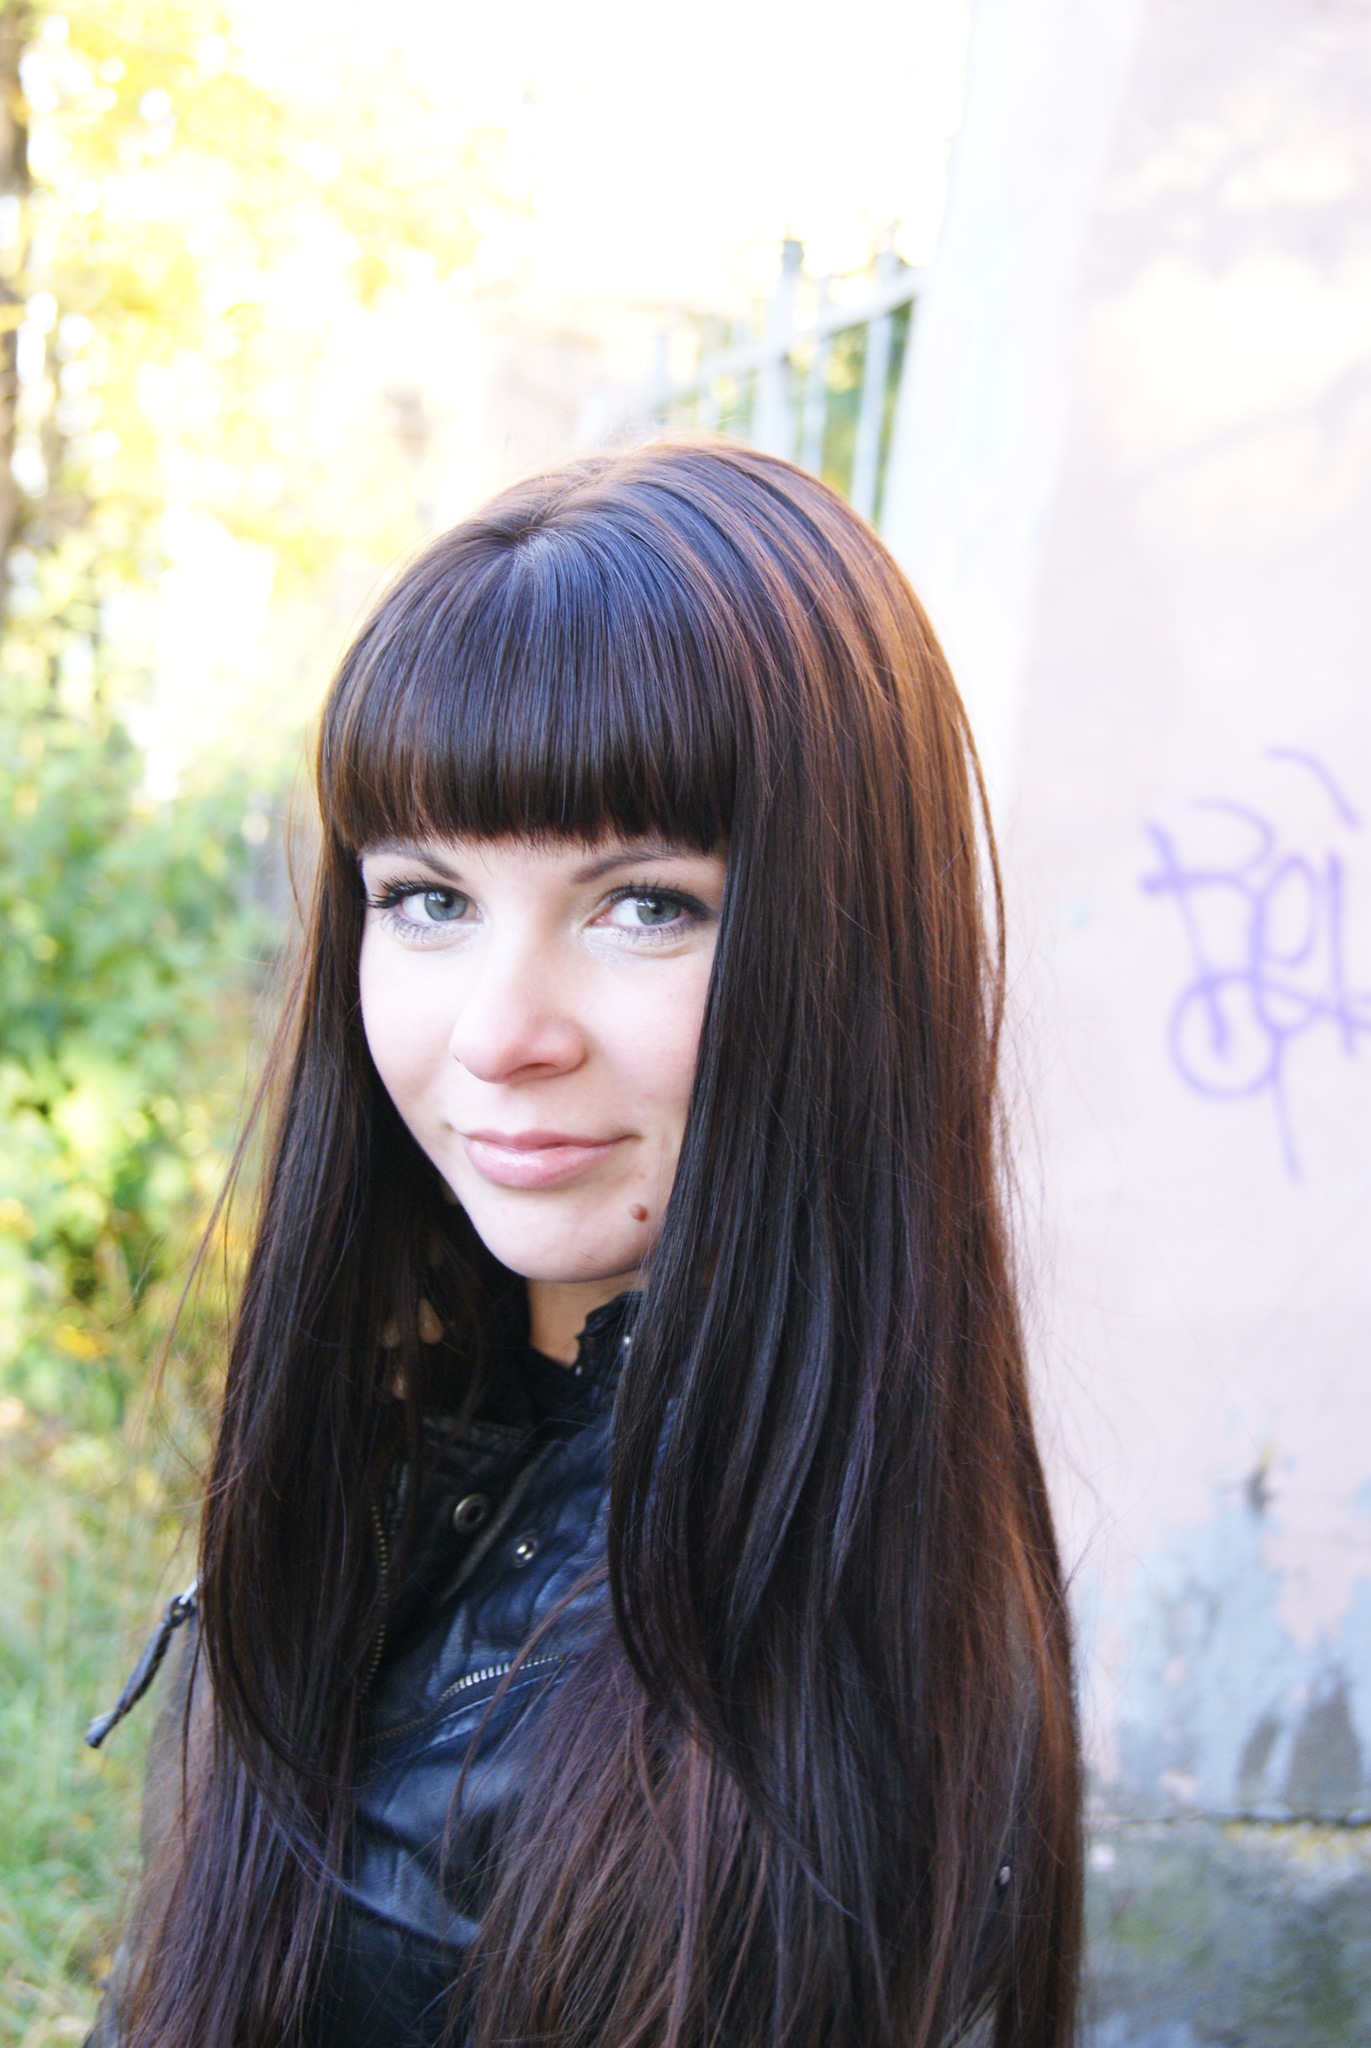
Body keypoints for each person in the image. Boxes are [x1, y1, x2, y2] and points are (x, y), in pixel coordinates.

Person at [90, 441, 1081, 2048]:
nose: (499, 1033)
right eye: (428, 898)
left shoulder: (806, 1706)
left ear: (851, 951)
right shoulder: (422, 1421)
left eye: (645, 905)